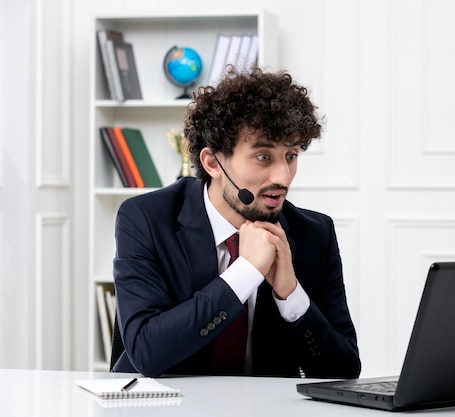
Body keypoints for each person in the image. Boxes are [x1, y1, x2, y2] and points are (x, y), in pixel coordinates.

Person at [111, 67, 361, 379]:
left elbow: (344, 370)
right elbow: (146, 352)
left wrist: (291, 295)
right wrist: (246, 272)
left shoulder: (314, 233)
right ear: (212, 162)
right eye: (263, 157)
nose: (283, 177)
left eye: (291, 156)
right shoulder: (146, 219)